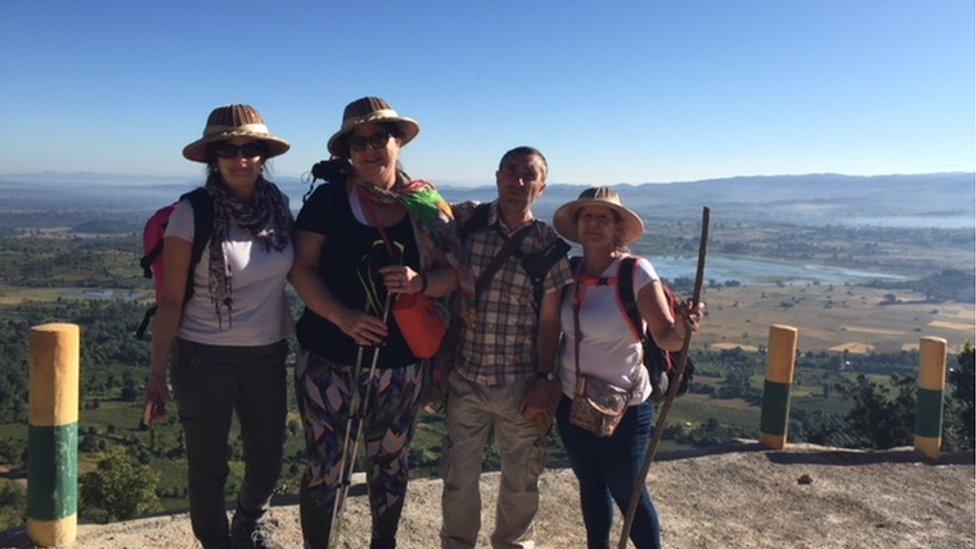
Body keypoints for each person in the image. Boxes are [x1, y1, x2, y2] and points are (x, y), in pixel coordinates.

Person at [290, 96, 458, 548]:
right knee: (327, 468)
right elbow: (301, 267)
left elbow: (455, 276)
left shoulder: (427, 205)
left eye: (378, 137)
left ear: (397, 142)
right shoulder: (329, 201)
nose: (369, 149)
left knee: (391, 467)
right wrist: (341, 316)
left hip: (402, 366)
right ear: (347, 152)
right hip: (329, 356)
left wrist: (420, 281)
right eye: (357, 142)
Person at [144, 104, 295, 549]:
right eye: (228, 148)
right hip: (203, 355)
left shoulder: (278, 207)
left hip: (267, 352)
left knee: (267, 460)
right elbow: (171, 299)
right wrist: (156, 375)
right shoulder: (192, 213)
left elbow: (302, 267)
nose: (240, 157)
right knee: (209, 467)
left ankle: (249, 523)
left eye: (250, 147)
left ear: (263, 155)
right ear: (214, 157)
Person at [550, 187, 702, 549]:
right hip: (573, 399)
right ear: (577, 223)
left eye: (604, 217)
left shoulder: (635, 272)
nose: (594, 223)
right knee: (590, 483)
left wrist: (684, 327)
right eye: (587, 216)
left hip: (625, 407)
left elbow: (667, 336)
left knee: (628, 493)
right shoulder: (569, 271)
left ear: (618, 227)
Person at [440, 146, 575, 549]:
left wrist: (544, 379)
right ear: (497, 176)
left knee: (521, 482)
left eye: (528, 175)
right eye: (511, 172)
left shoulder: (549, 247)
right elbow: (420, 205)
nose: (518, 182)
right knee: (458, 480)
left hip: (521, 384)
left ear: (542, 187)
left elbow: (550, 322)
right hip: (466, 376)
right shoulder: (467, 221)